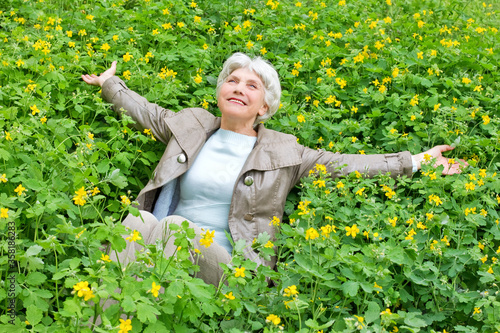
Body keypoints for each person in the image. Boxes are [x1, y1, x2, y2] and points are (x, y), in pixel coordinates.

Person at [82, 53, 466, 286]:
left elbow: (346, 165)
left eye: (251, 86)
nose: (238, 87)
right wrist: (109, 83)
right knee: (135, 222)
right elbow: (145, 112)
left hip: (229, 265)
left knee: (168, 228)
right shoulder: (192, 126)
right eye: (231, 80)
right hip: (165, 246)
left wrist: (417, 161)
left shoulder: (282, 151)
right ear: (220, 93)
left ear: (264, 107)